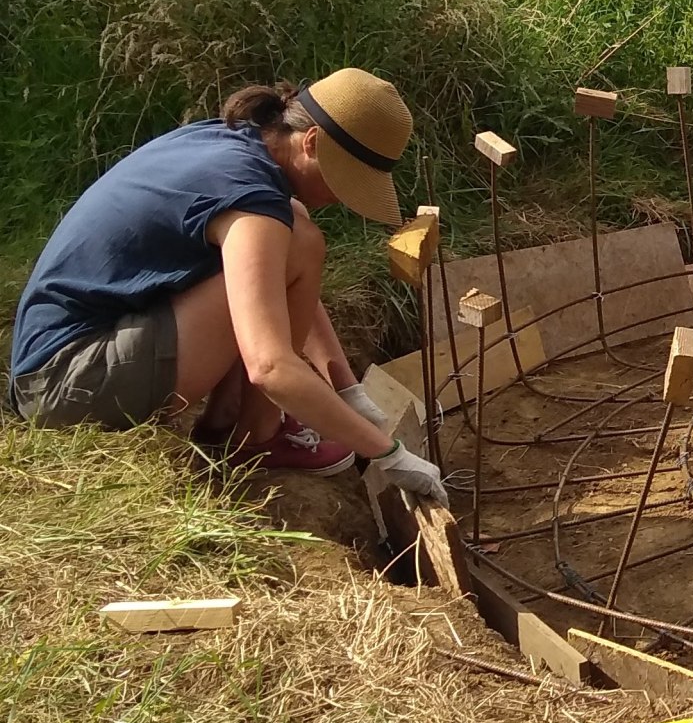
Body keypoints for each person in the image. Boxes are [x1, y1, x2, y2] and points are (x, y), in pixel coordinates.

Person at [6, 70, 448, 503]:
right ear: (311, 143)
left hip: (61, 360)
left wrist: (349, 389)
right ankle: (257, 437)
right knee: (296, 241)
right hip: (68, 384)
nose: (343, 198)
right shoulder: (251, 201)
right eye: (346, 180)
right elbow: (269, 367)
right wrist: (389, 454)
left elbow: (281, 272)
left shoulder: (236, 142)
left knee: (297, 229)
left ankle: (227, 420)